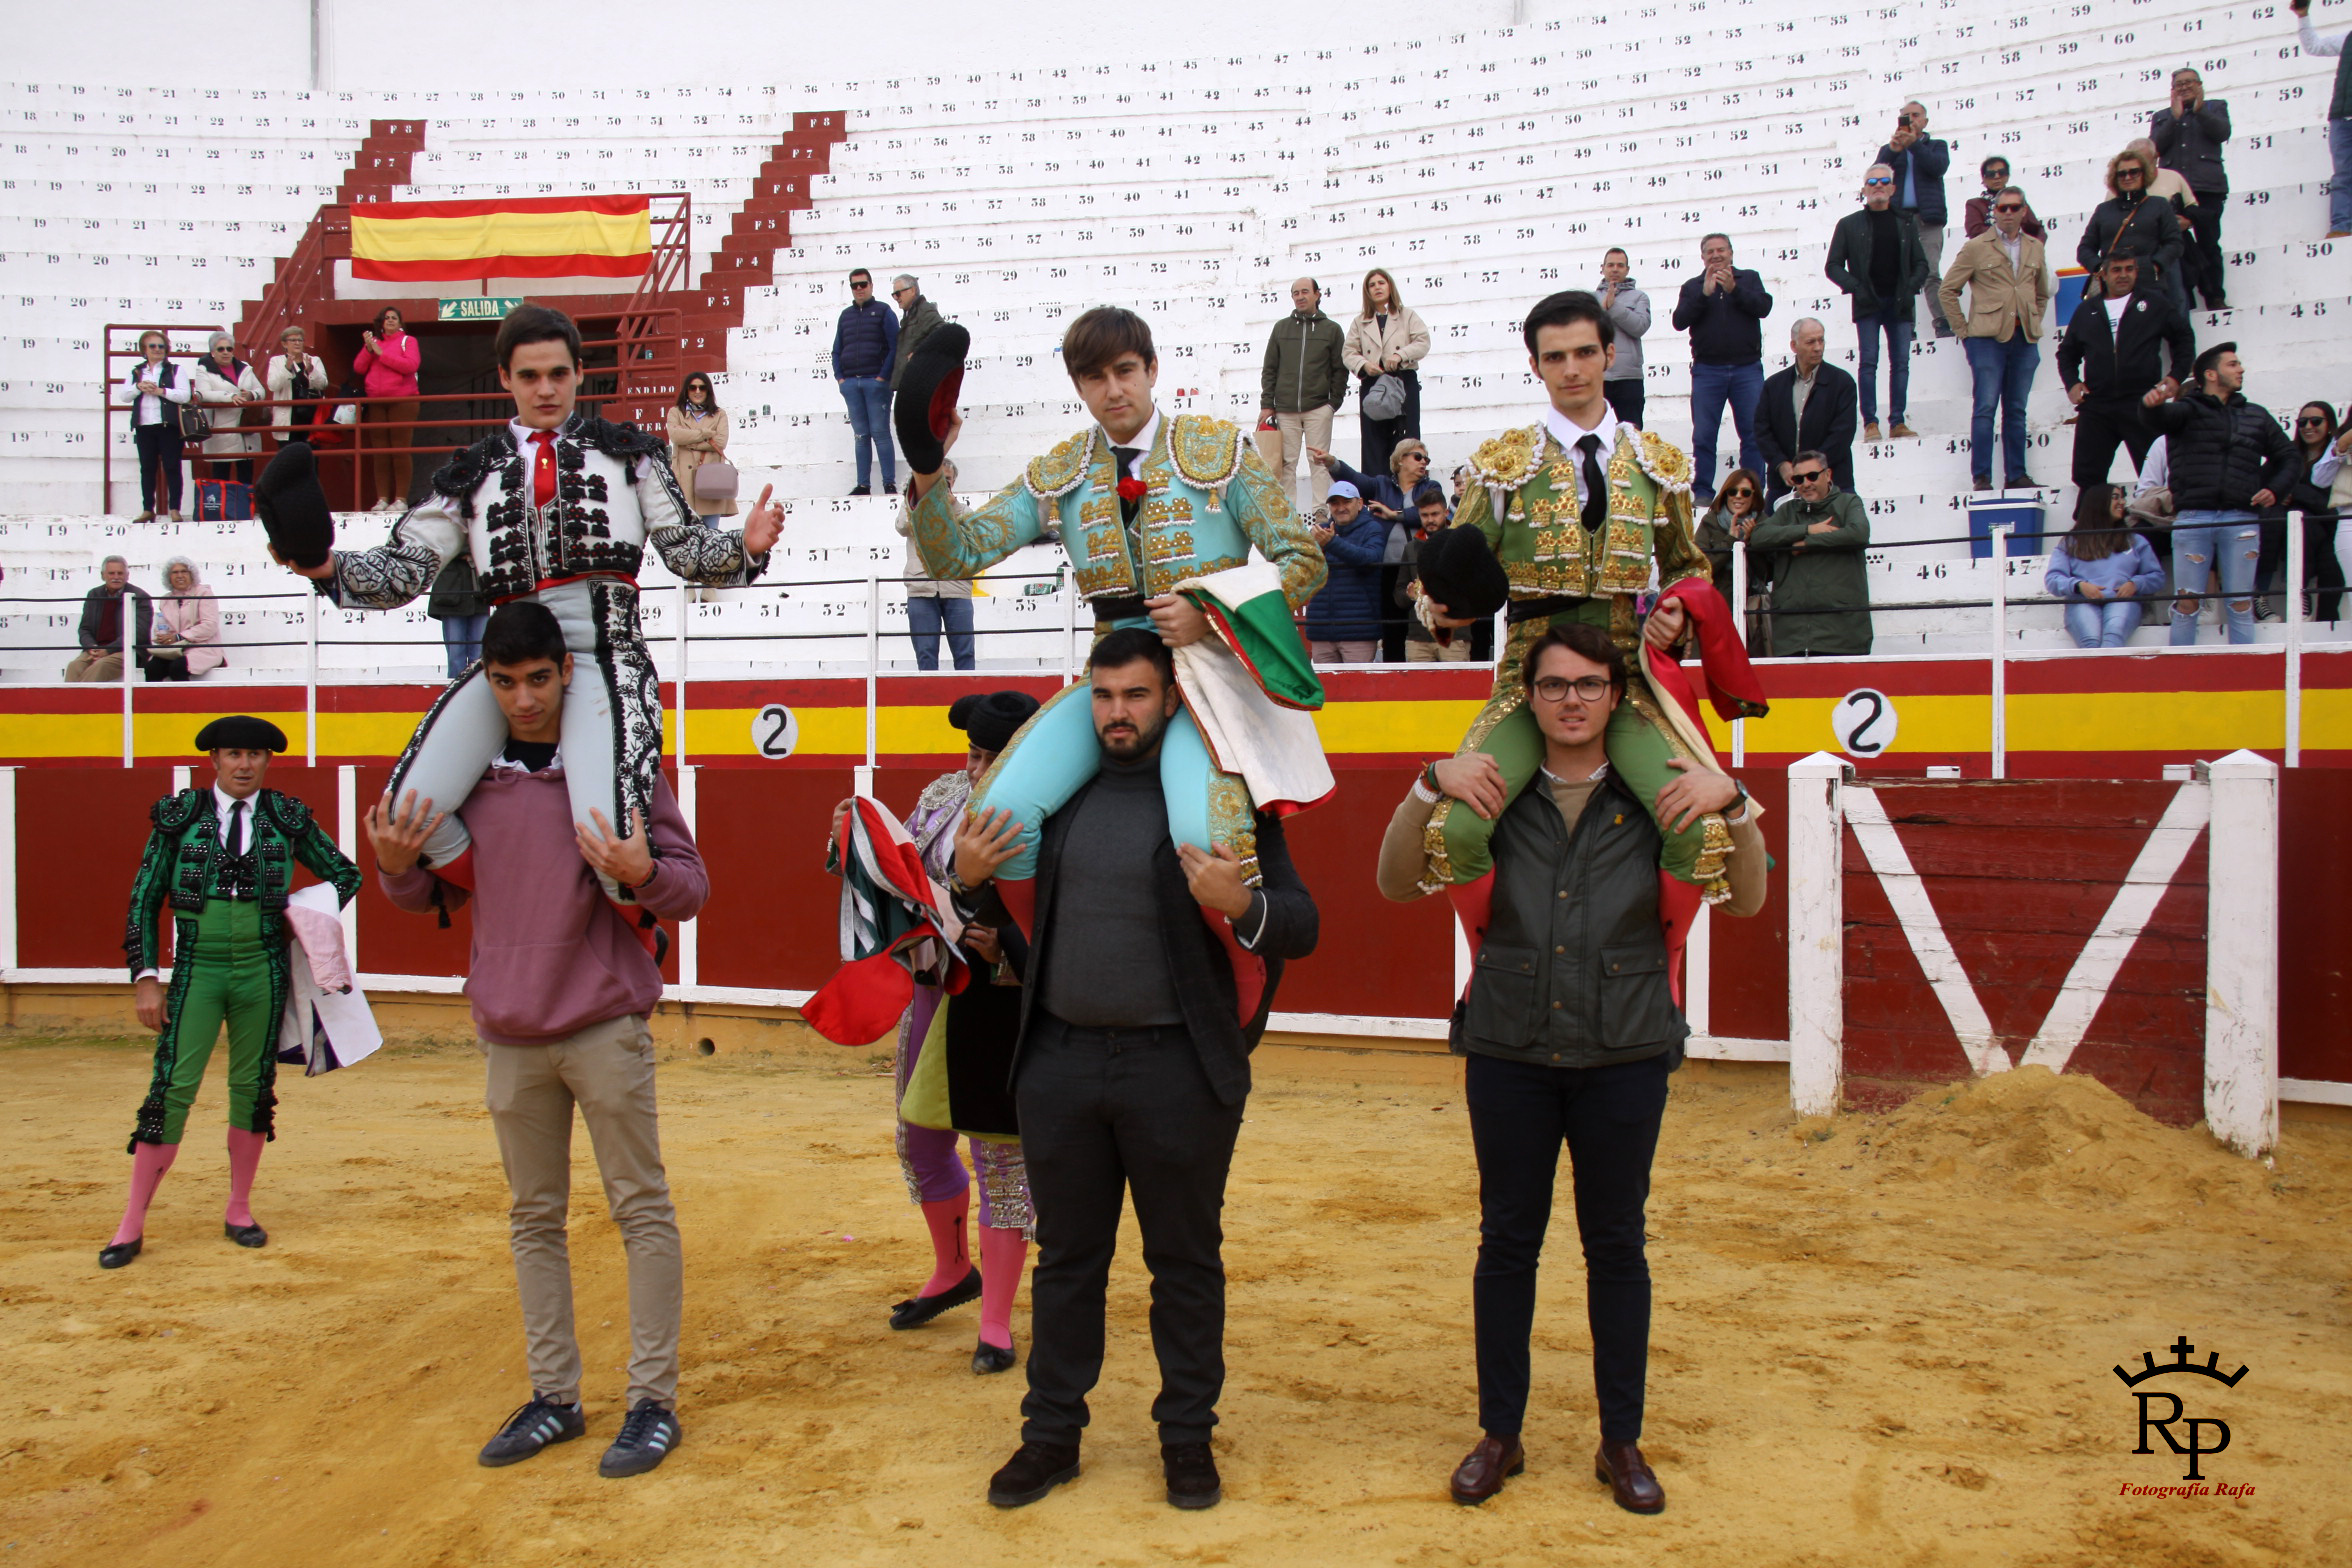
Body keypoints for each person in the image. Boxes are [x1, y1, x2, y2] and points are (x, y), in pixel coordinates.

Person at [1374, 621, 1766, 1511]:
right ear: (1531, 696)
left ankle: (1620, 1441)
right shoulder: (1490, 792)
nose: (1573, 701)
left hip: (1624, 1051)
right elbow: (1396, 882)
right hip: (1509, 1050)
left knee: (1616, 1245)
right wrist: (1426, 783)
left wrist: (1737, 803)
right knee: (1507, 1242)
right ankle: (1499, 1434)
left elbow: (1746, 899)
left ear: (1616, 696)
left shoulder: (1658, 795)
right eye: (1554, 685)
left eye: (1590, 684)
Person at [275, 303, 779, 944]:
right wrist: (323, 565)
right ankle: (511, 896)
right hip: (510, 665)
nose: (546, 389)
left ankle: (637, 933)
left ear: (578, 375)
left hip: (605, 655)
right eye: (530, 375)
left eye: (558, 374)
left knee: (612, 840)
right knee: (407, 814)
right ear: (505, 378)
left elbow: (686, 552)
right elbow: (405, 568)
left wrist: (745, 547)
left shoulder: (632, 456)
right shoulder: (472, 472)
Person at [955, 628, 1319, 1513]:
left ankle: (1187, 1437)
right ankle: (1051, 1436)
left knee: (1184, 1261)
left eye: (1137, 695)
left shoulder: (1223, 800)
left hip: (1177, 1068)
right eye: (1104, 696)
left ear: (1170, 699)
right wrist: (966, 883)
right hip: (1062, 1061)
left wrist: (1242, 902)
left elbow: (1301, 923)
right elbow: (1000, 914)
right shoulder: (1060, 801)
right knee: (1067, 1260)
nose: (1118, 713)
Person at [367, 601, 704, 1478]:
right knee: (534, 1219)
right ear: (485, 683)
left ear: (566, 674)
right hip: (510, 1032)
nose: (523, 700)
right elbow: (435, 895)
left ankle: (653, 1401)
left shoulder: (619, 774)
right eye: (505, 682)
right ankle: (556, 1396)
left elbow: (689, 887)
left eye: (539, 680)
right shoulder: (466, 784)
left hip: (602, 1027)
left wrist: (645, 872)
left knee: (640, 1209)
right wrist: (395, 871)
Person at [902, 305, 1329, 944]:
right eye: (1095, 377)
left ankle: (1234, 985)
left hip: (1206, 683)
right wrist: (927, 466)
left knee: (1203, 837)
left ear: (1152, 370)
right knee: (998, 815)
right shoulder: (1062, 472)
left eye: (1125, 371)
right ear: (1079, 386)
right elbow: (955, 556)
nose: (1113, 389)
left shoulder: (1218, 450)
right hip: (1110, 685)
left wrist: (1210, 613)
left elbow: (1304, 561)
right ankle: (1046, 959)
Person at [1414, 290, 1767, 914]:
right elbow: (1447, 575)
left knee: (1699, 829)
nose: (1571, 369)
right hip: (1531, 677)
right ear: (1536, 366)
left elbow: (1689, 568)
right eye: (1555, 357)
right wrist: (1441, 610)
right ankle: (1492, 963)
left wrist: (1678, 609)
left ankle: (1663, 967)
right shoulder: (1502, 466)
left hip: (1624, 676)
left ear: (1609, 354)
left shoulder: (1658, 465)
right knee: (1457, 828)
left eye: (1583, 353)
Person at [103, 716, 362, 1270]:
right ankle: (131, 1223)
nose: (245, 764)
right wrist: (145, 977)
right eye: (235, 754)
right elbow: (145, 897)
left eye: (255, 755)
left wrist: (302, 920)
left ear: (267, 761)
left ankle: (239, 1210)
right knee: (171, 1088)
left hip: (262, 971)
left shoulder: (286, 817)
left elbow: (345, 874)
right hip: (197, 969)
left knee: (252, 1088)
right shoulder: (180, 816)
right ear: (215, 760)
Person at [835, 691, 1040, 1371]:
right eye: (972, 754)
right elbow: (903, 880)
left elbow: (1072, 924)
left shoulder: (1050, 811)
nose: (974, 770)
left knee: (1001, 1160)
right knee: (919, 1140)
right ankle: (953, 1269)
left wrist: (1009, 949)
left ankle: (996, 1322)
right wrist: (853, 844)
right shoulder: (946, 794)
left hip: (1001, 1001)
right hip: (932, 987)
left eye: (989, 757)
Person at [2146, 343, 2297, 645]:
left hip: (2241, 518)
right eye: (2233, 364)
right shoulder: (2187, 410)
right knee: (2187, 605)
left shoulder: (2256, 415)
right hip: (2193, 518)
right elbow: (2155, 420)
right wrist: (2150, 405)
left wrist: (2274, 489)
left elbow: (2290, 457)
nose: (2241, 369)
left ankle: (2244, 671)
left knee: (2241, 604)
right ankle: (2180, 671)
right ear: (2210, 374)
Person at [1939, 184, 2054, 491]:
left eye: (2015, 207)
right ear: (1994, 212)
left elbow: (2041, 292)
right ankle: (1982, 477)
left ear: (2024, 211)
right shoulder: (1976, 247)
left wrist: (2032, 319)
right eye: (2003, 208)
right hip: (1986, 339)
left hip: (2024, 337)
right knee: (1985, 408)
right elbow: (1947, 289)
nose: (2009, 213)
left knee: (2016, 409)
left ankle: (2016, 475)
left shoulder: (2035, 247)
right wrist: (1964, 332)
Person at [2056, 252, 2197, 489]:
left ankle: (2155, 515)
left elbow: (2183, 338)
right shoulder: (2086, 310)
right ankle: (2091, 515)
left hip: (2142, 402)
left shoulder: (2155, 303)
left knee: (2156, 475)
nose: (2123, 275)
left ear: (2136, 272)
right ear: (2103, 274)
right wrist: (2072, 383)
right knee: (2087, 477)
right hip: (2097, 404)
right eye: (2117, 270)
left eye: (2129, 269)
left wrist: (2176, 376)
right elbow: (2066, 353)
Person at [1825, 166, 1931, 442]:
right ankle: (1870, 423)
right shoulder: (1849, 224)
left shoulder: (1906, 222)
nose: (1878, 185)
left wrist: (1909, 287)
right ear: (1864, 189)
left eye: (1884, 181)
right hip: (1868, 303)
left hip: (1900, 303)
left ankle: (1898, 421)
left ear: (1893, 188)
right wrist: (1857, 288)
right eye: (1872, 181)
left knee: (1901, 363)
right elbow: (1833, 265)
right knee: (1869, 362)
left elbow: (1921, 263)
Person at [1312, 437, 1443, 658]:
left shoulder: (1431, 486)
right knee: (1391, 625)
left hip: (1419, 565)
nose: (1424, 462)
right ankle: (1393, 670)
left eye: (1426, 459)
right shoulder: (1381, 484)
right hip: (1387, 566)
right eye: (1418, 457)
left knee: (1421, 620)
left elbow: (1429, 511)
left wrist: (1395, 515)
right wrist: (1332, 462)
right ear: (1400, 460)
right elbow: (1355, 481)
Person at [1671, 234, 1773, 493]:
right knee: (1704, 435)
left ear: (1731, 253)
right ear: (1702, 257)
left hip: (1747, 369)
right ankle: (1703, 491)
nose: (1716, 255)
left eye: (1721, 250)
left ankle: (1752, 491)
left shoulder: (1749, 278)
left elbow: (1763, 307)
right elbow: (1679, 321)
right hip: (1707, 371)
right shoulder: (1693, 286)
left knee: (1753, 434)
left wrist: (1734, 290)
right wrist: (1704, 295)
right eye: (1710, 251)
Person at [1747, 451, 1873, 656]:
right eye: (1798, 479)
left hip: (1843, 636)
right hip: (1791, 637)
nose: (1806, 483)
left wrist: (1807, 543)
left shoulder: (1848, 502)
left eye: (1812, 476)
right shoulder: (1787, 510)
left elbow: (1859, 533)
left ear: (1828, 474)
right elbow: (1759, 536)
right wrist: (1809, 529)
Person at [1260, 277, 1350, 513]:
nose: (1300, 297)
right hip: (1285, 409)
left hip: (1318, 408)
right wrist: (1267, 404)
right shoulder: (1281, 328)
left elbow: (1339, 370)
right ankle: (1287, 513)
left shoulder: (1331, 330)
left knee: (1319, 462)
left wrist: (1333, 404)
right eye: (1295, 293)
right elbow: (1270, 368)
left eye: (1304, 292)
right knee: (1286, 464)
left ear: (1317, 294)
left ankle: (1320, 511)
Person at [2151, 68, 2232, 310]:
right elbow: (2154, 148)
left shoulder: (2215, 107)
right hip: (2173, 192)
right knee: (2177, 245)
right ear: (2172, 90)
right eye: (2179, 84)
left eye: (2189, 82)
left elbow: (2222, 132)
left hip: (2208, 188)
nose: (2184, 87)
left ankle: (2214, 296)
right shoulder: (2162, 116)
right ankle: (2185, 299)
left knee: (2209, 243)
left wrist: (2199, 111)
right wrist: (2174, 119)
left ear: (2200, 85)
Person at [2048, 485, 2168, 647]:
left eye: (2122, 497)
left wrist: (2135, 584)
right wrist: (2079, 586)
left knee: (2113, 637)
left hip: (2123, 601)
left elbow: (2156, 576)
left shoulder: (2135, 540)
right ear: (2099, 503)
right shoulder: (2070, 542)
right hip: (2082, 602)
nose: (2122, 502)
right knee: (2090, 641)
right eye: (2115, 497)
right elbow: (2053, 579)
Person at [1757, 319, 1859, 504]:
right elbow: (1762, 430)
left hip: (1833, 484)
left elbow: (1843, 433)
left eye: (1821, 340)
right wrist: (1781, 464)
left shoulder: (1842, 383)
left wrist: (1810, 470)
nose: (1818, 347)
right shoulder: (1774, 385)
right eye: (1811, 342)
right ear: (1794, 346)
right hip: (1784, 486)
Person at [1343, 268, 1429, 482]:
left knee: (1407, 437)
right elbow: (1348, 352)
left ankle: (1409, 486)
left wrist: (1400, 355)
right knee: (1373, 441)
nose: (1377, 288)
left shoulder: (1407, 315)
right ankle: (1376, 490)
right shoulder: (1360, 321)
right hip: (1374, 384)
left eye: (1381, 283)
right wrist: (1364, 365)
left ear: (1390, 286)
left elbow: (1422, 341)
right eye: (1372, 285)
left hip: (1402, 380)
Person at [1877, 100, 1953, 337]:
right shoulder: (1892, 149)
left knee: (1931, 272)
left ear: (1925, 121)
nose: (1911, 119)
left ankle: (1942, 321)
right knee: (1903, 274)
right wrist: (1893, 149)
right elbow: (1876, 176)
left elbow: (1937, 167)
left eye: (1916, 115)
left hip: (1928, 219)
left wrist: (1915, 145)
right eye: (1906, 115)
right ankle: (1906, 325)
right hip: (1900, 219)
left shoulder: (1937, 146)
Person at [2076, 148, 2184, 309]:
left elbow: (2175, 243)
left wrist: (2155, 266)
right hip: (2112, 290)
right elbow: (2084, 249)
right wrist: (2101, 269)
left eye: (2134, 172)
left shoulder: (2159, 205)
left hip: (2149, 285)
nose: (2127, 177)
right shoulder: (2103, 210)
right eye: (2122, 174)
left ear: (2144, 174)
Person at [895, 459, 976, 671]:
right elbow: (902, 526)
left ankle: (968, 691)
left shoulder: (962, 510)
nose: (942, 483)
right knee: (925, 653)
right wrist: (922, 499)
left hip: (956, 586)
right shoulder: (911, 502)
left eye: (947, 479)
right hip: (921, 587)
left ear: (954, 481)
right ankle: (928, 692)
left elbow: (972, 532)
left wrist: (952, 506)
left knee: (965, 653)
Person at [833, 267, 900, 496]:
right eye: (855, 285)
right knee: (861, 435)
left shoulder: (884, 311)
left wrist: (882, 377)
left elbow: (895, 346)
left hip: (876, 382)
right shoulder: (845, 316)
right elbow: (836, 349)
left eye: (863, 284)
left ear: (871, 285)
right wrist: (841, 379)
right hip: (851, 383)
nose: (859, 289)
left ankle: (889, 483)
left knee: (880, 433)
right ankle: (863, 485)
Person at [2280, 402, 2349, 622]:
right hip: (2306, 528)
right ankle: (2301, 598)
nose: (2308, 427)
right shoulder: (2289, 456)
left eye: (2315, 421)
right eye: (2302, 422)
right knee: (2303, 522)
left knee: (2330, 558)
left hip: (2332, 523)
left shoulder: (2335, 450)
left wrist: (2295, 492)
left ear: (2329, 425)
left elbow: (2327, 499)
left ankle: (2325, 617)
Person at [1305, 479, 1386, 663]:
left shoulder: (1373, 529)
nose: (1341, 508)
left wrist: (1331, 543)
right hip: (1321, 629)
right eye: (1335, 503)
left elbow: (1370, 560)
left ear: (1360, 503)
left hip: (1357, 630)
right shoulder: (1320, 531)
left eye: (1346, 502)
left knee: (1358, 682)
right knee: (1326, 682)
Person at [353, 306, 423, 511]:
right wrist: (369, 349)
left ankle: (400, 499)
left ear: (400, 322)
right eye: (386, 318)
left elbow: (410, 365)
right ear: (381, 323)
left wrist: (381, 353)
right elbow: (358, 368)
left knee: (400, 450)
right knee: (380, 452)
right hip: (376, 401)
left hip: (403, 400)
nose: (390, 320)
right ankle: (382, 498)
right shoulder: (374, 342)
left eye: (394, 317)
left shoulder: (408, 341)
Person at [2293, 0, 2352, 238]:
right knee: (2343, 175)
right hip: (2341, 118)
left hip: (2341, 117)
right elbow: (2314, 46)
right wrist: (2303, 16)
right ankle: (2341, 226)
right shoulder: (2347, 38)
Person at [122, 329, 191, 522]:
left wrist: (161, 391)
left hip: (168, 425)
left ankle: (174, 509)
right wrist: (138, 387)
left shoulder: (175, 370)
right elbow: (124, 395)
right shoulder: (136, 372)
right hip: (144, 425)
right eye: (152, 346)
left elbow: (184, 395)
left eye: (161, 346)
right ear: (144, 349)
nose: (157, 349)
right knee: (147, 468)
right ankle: (147, 509)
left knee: (172, 466)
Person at [1397, 489, 1471, 661]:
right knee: (1417, 682)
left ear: (1446, 512)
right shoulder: (1410, 548)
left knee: (1456, 680)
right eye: (1425, 515)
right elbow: (1398, 594)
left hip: (1454, 635)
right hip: (1418, 638)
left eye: (1434, 514)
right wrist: (1409, 595)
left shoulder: (1462, 544)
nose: (1430, 520)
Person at [188, 332, 265, 484]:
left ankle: (245, 501)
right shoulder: (204, 370)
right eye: (221, 349)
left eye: (229, 349)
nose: (226, 352)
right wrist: (229, 397)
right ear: (212, 352)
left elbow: (260, 390)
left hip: (245, 428)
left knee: (246, 476)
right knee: (220, 476)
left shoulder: (245, 368)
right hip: (221, 429)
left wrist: (251, 394)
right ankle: (223, 501)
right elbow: (203, 394)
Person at [64, 556, 151, 682]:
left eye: (120, 573)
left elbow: (139, 633)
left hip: (126, 651)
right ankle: (73, 695)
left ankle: (79, 695)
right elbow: (84, 628)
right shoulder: (94, 594)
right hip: (96, 650)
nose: (116, 577)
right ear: (103, 575)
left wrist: (108, 650)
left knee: (100, 666)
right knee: (74, 666)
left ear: (127, 576)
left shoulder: (140, 597)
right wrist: (92, 647)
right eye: (111, 573)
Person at [665, 372, 737, 526]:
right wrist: (705, 434)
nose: (697, 391)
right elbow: (676, 436)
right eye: (693, 388)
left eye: (702, 388)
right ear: (687, 390)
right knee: (687, 534)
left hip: (711, 482)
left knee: (711, 534)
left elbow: (720, 442)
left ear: (708, 390)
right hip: (684, 482)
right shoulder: (675, 412)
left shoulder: (719, 414)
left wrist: (689, 442)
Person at [1695, 469, 1767, 620]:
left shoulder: (1763, 523)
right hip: (1714, 603)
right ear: (1726, 494)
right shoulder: (1710, 521)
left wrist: (1751, 543)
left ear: (1754, 496)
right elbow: (1700, 567)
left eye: (1745, 492)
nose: (1738, 496)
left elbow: (1767, 573)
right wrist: (1730, 541)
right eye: (1732, 491)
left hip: (1752, 608)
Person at [1598, 248, 1652, 428]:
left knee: (1632, 435)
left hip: (1629, 377)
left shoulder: (1639, 297)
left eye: (1620, 265)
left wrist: (1613, 307)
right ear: (1602, 268)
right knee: (1595, 435)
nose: (1615, 269)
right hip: (1597, 377)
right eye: (1610, 265)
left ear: (1627, 270)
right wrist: (1603, 308)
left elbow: (1639, 327)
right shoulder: (1591, 299)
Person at [145, 557, 223, 681]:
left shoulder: (204, 593)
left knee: (178, 667)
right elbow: (164, 625)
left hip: (202, 647)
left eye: (184, 571)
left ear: (192, 575)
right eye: (175, 572)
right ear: (169, 577)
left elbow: (210, 625)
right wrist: (162, 636)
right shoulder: (165, 600)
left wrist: (179, 637)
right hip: (175, 649)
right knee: (152, 668)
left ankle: (185, 695)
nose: (179, 575)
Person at [427, 555, 491, 677]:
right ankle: (457, 686)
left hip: (478, 592)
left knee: (478, 654)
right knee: (456, 655)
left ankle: (476, 684)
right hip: (451, 592)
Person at [266, 325, 328, 448]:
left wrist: (312, 370)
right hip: (288, 419)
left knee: (311, 456)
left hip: (311, 418)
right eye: (293, 340)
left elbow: (323, 384)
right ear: (284, 344)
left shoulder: (314, 360)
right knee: (289, 456)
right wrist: (286, 369)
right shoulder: (276, 361)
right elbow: (272, 386)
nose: (297, 343)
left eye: (300, 340)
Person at [1962, 156, 2046, 241]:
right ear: (1983, 178)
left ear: (2008, 175)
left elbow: (2038, 231)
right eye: (1991, 174)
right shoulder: (1975, 204)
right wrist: (2011, 232)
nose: (1997, 176)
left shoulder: (2018, 200)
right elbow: (1975, 232)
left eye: (2001, 172)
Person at [890, 275, 945, 399]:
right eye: (893, 295)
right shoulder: (911, 313)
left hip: (921, 383)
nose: (896, 298)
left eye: (898, 293)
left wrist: (919, 352)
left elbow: (942, 332)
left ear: (912, 290)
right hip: (911, 382)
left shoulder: (924, 310)